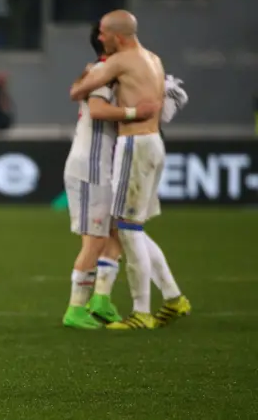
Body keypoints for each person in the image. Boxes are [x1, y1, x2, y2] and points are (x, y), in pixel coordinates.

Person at [70, 10, 191, 330]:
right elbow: (168, 104)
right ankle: (170, 296)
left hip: (133, 147)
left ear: (115, 36)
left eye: (103, 33)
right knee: (127, 228)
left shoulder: (115, 65)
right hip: (152, 144)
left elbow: (80, 96)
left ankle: (140, 311)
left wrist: (91, 80)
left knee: (126, 230)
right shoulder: (152, 59)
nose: (100, 37)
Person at [62, 22, 157, 329]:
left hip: (106, 164)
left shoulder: (110, 72)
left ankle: (101, 298)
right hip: (91, 165)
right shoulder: (103, 72)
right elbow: (99, 110)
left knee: (115, 232)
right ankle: (75, 309)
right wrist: (135, 114)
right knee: (95, 239)